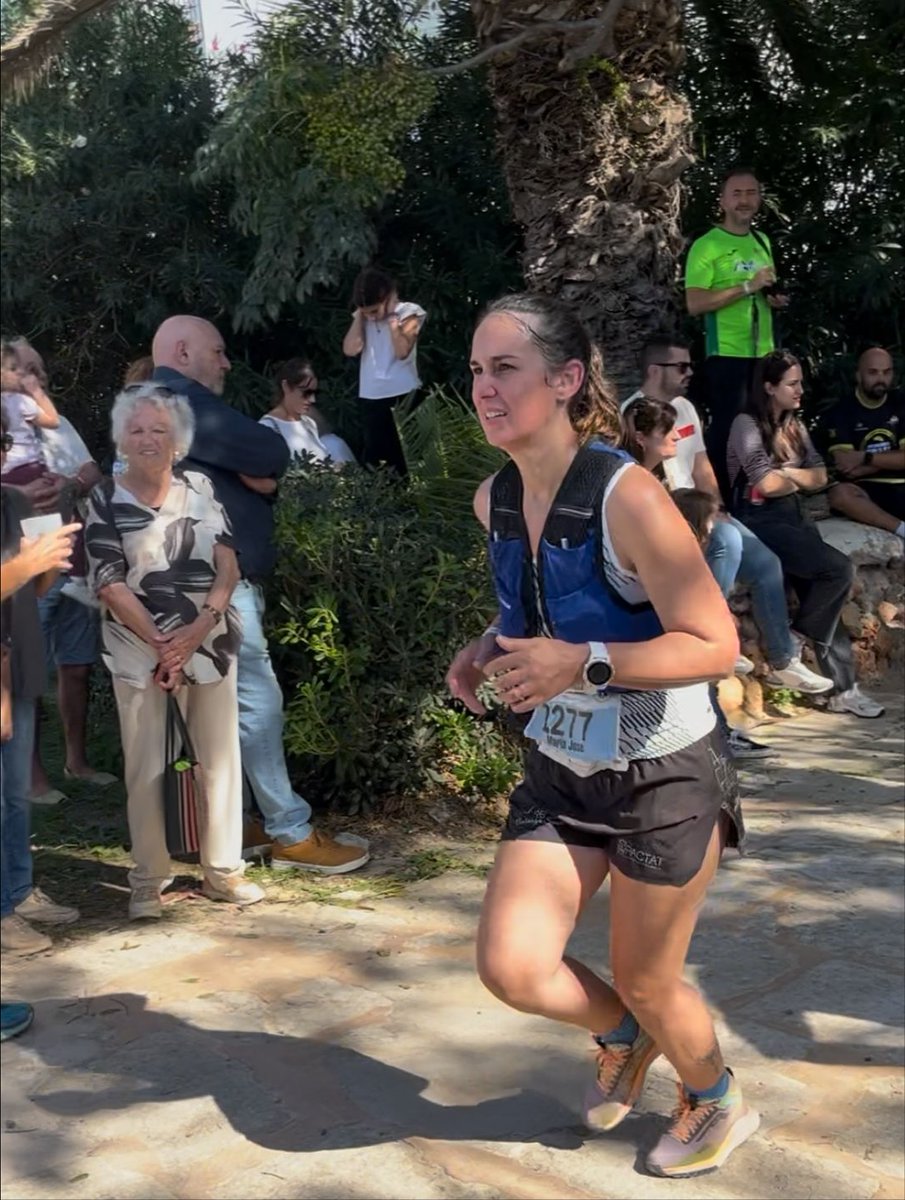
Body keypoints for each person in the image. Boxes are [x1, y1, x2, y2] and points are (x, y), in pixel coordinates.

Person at [447, 293, 758, 1180]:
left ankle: (714, 1097)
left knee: (654, 978)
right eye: (475, 369)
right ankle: (620, 1035)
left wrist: (578, 664)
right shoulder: (494, 498)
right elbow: (532, 611)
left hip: (662, 774)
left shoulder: (628, 496)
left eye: (504, 368)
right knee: (511, 966)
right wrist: (482, 651)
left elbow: (716, 645)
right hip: (562, 766)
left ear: (566, 379)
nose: (484, 388)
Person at [150, 315, 369, 873]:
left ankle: (232, 824)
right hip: (215, 585)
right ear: (182, 350)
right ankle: (289, 831)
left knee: (215, 707)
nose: (226, 363)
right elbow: (267, 452)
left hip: (186, 582)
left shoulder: (147, 405)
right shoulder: (177, 398)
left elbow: (257, 464)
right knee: (256, 701)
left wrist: (245, 470)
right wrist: (250, 469)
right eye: (218, 352)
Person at [84, 384, 266, 918]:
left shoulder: (203, 487)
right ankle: (148, 879)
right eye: (137, 429)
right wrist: (164, 645)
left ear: (177, 440)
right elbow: (110, 584)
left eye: (158, 429)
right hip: (140, 651)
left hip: (208, 645)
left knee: (219, 761)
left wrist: (199, 628)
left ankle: (223, 871)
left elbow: (228, 566)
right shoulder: (104, 499)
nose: (147, 439)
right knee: (146, 766)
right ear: (122, 436)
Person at [625, 336, 833, 700]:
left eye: (691, 365)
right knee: (727, 542)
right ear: (654, 370)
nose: (691, 373)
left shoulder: (686, 408)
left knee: (766, 562)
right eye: (682, 367)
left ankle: (784, 661)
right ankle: (715, 637)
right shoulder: (631, 412)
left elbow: (701, 464)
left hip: (701, 508)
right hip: (663, 516)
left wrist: (718, 508)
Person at [727, 351, 885, 719]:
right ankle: (796, 641)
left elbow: (820, 478)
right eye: (792, 384)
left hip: (794, 517)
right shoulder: (745, 424)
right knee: (838, 570)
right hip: (760, 520)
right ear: (769, 387)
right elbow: (764, 484)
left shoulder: (795, 426)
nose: (800, 390)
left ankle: (843, 691)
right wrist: (795, 477)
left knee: (823, 594)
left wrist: (791, 475)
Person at [3, 338, 113, 805]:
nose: (38, 375)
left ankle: (77, 760)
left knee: (77, 664)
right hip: (25, 553)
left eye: (41, 368)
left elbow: (94, 471)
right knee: (28, 666)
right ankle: (31, 777)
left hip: (73, 553)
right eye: (27, 368)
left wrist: (69, 483)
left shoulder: (54, 419)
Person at [1, 405, 82, 955]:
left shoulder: (10, 502)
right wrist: (27, 566)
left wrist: (49, 562)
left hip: (20, 660)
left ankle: (17, 890)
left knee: (13, 797)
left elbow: (25, 592)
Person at [685, 166, 789, 500]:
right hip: (726, 353)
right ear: (723, 201)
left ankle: (756, 495)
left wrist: (773, 298)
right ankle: (718, 502)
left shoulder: (762, 241)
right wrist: (748, 286)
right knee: (729, 429)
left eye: (751, 193)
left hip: (764, 353)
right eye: (737, 194)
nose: (745, 200)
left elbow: (762, 290)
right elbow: (695, 303)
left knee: (763, 426)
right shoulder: (707, 245)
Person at [341, 267, 426, 476]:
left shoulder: (410, 312)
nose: (370, 317)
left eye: (373, 311)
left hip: (404, 394)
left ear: (387, 298)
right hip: (372, 396)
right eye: (365, 312)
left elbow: (402, 351)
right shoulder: (362, 317)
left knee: (408, 457)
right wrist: (360, 316)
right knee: (376, 461)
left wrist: (392, 321)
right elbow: (351, 349)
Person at [818, 348, 905, 539]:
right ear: (858, 375)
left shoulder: (900, 404)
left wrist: (865, 458)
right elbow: (845, 466)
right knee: (839, 494)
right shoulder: (840, 412)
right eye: (873, 372)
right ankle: (901, 529)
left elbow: (857, 463)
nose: (881, 379)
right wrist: (894, 457)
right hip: (866, 492)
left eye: (887, 372)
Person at [259, 358, 352, 468]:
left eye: (314, 393)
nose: (312, 400)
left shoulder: (309, 423)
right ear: (286, 387)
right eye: (306, 392)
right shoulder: (267, 428)